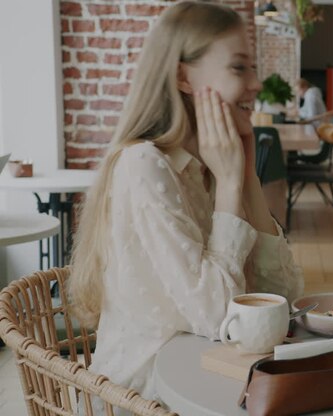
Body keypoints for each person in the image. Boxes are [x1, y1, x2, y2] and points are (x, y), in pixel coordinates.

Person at [68, 1, 303, 406]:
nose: (255, 83)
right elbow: (220, 318)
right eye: (238, 67)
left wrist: (245, 175)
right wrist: (230, 183)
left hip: (214, 379)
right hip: (143, 398)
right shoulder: (143, 166)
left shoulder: (208, 165)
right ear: (183, 75)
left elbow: (281, 296)